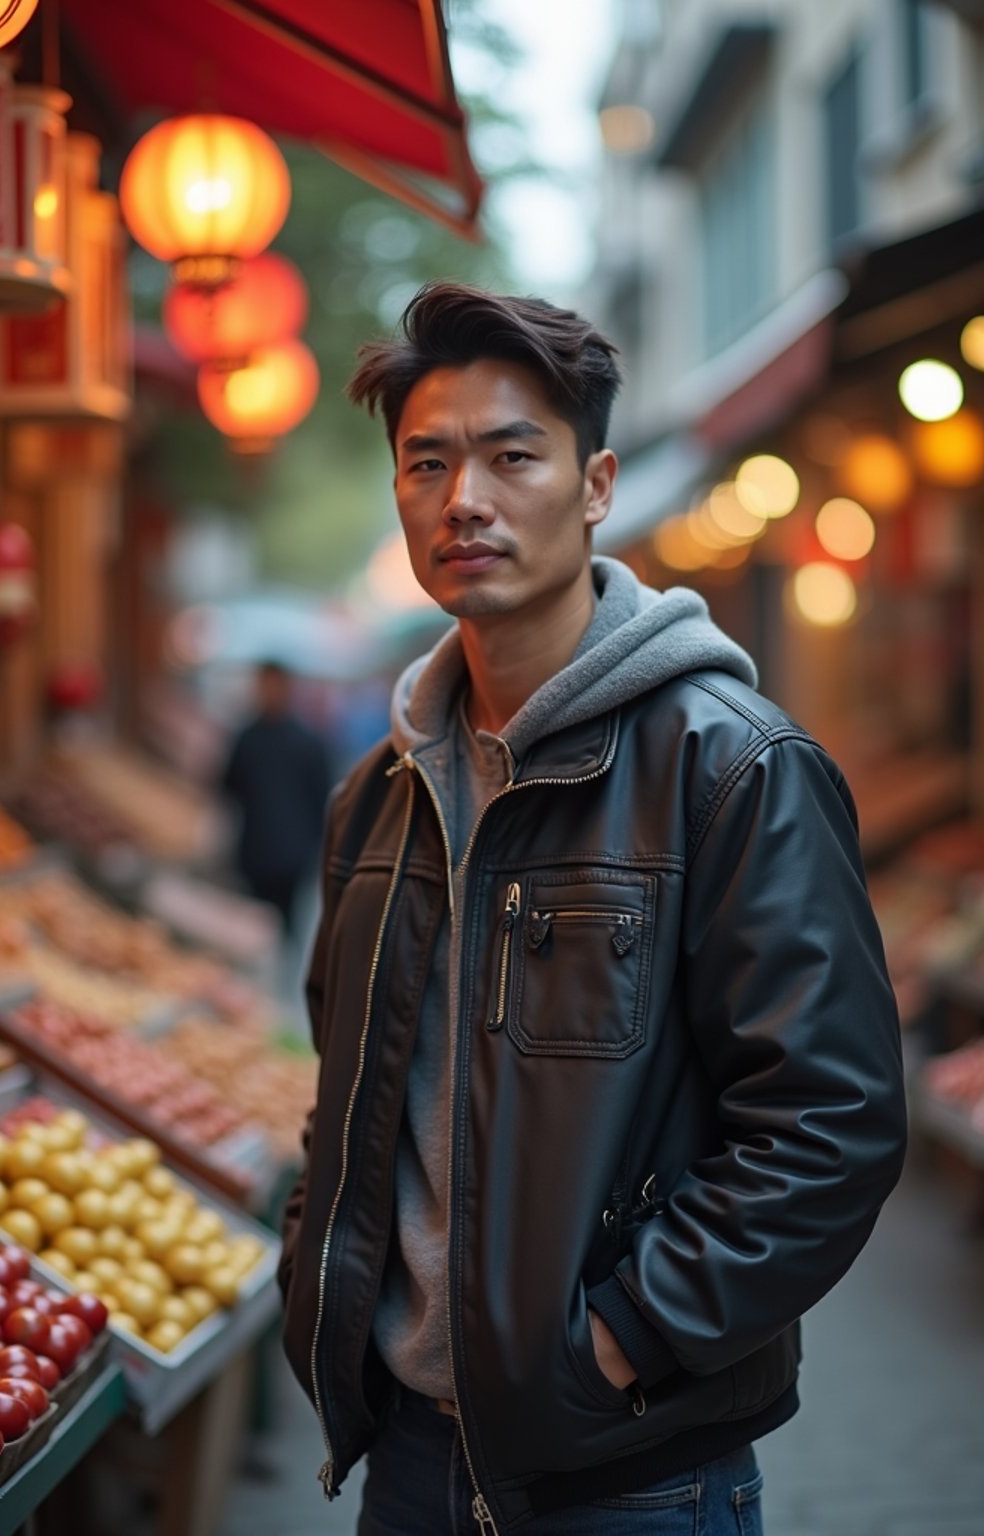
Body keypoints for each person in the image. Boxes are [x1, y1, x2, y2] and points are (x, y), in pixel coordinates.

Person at [277, 283, 907, 1536]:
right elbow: (341, 1087)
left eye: (513, 455)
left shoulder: (728, 767)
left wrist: (614, 1344)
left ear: (597, 484)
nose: (466, 497)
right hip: (400, 1459)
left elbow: (828, 1127)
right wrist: (322, 1287)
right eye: (428, 463)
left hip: (630, 1476)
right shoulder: (381, 791)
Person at [219, 660, 332, 933]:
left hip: (292, 854)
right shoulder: (246, 738)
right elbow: (229, 787)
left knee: (284, 923)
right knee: (254, 925)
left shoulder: (308, 742)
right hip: (255, 852)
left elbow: (322, 798)